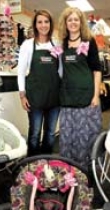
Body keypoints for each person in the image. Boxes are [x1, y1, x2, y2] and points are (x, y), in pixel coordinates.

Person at [58, 7, 102, 168]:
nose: (73, 22)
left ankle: (86, 170)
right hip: (68, 96)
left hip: (87, 95)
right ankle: (68, 169)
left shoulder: (89, 41)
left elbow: (97, 70)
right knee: (68, 135)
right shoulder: (62, 43)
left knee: (86, 135)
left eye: (76, 19)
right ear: (65, 23)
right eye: (70, 20)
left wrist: (96, 95)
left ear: (81, 22)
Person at [17, 9, 62, 156]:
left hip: (54, 97)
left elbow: (60, 70)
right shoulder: (28, 45)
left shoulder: (57, 45)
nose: (43, 25)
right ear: (35, 25)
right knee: (35, 133)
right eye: (40, 22)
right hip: (35, 97)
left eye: (46, 21)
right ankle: (31, 163)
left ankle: (46, 162)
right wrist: (22, 95)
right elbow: (21, 72)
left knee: (50, 134)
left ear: (50, 24)